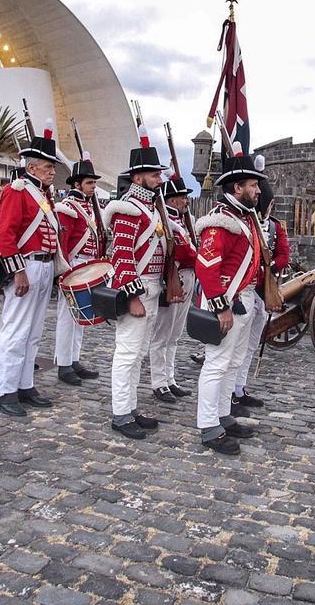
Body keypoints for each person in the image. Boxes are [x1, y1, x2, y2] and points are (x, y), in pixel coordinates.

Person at [193, 144, 269, 456]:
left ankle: (224, 415)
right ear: (237, 188)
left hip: (244, 299)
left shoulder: (244, 217)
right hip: (227, 300)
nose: (258, 190)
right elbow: (207, 266)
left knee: (233, 363)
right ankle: (209, 426)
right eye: (253, 185)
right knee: (217, 363)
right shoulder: (221, 219)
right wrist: (221, 306)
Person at [103, 125, 170, 440]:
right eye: (153, 174)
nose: (159, 178)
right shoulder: (129, 209)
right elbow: (122, 255)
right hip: (138, 288)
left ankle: (129, 408)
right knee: (128, 353)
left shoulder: (150, 208)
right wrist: (132, 296)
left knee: (139, 353)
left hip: (152, 287)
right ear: (137, 177)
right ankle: (120, 413)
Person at [0, 121, 61, 417]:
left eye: (51, 167)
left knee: (33, 332)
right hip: (27, 265)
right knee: (15, 331)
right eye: (47, 167)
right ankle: (5, 390)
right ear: (31, 168)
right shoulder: (17, 191)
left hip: (43, 265)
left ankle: (25, 384)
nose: (52, 171)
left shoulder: (44, 195)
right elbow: (5, 234)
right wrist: (18, 270)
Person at [230, 171, 290, 416]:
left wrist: (270, 267)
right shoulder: (247, 224)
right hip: (246, 288)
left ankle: (240, 388)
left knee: (251, 345)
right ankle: (230, 394)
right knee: (236, 347)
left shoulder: (276, 227)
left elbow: (284, 255)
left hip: (263, 291)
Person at [52, 151, 105, 386]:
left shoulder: (88, 207)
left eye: (94, 183)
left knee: (81, 316)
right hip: (73, 265)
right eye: (90, 182)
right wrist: (62, 271)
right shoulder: (68, 207)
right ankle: (64, 364)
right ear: (77, 184)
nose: (94, 187)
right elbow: (62, 243)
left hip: (86, 266)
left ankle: (74, 359)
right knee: (67, 316)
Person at [146, 174, 198, 403]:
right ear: (173, 200)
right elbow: (183, 252)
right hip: (173, 278)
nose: (187, 201)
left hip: (187, 277)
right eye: (183, 197)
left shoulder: (185, 221)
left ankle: (170, 378)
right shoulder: (166, 221)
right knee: (162, 335)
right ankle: (159, 383)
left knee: (174, 334)